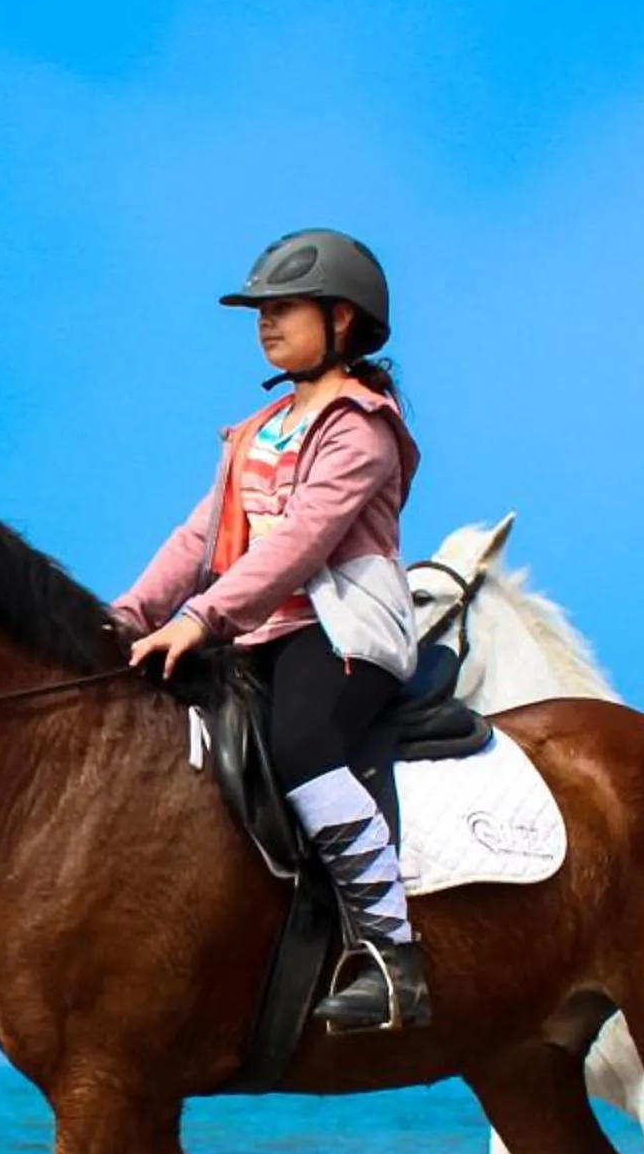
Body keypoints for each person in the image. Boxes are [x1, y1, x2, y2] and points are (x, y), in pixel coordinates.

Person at [112, 228, 428, 1032]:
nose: (265, 323)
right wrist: (128, 616)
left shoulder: (363, 427)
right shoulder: (256, 431)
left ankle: (395, 960)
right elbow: (199, 538)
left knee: (302, 746)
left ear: (343, 320)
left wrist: (199, 618)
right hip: (253, 631)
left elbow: (299, 543)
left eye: (283, 309)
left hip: (341, 631)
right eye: (260, 311)